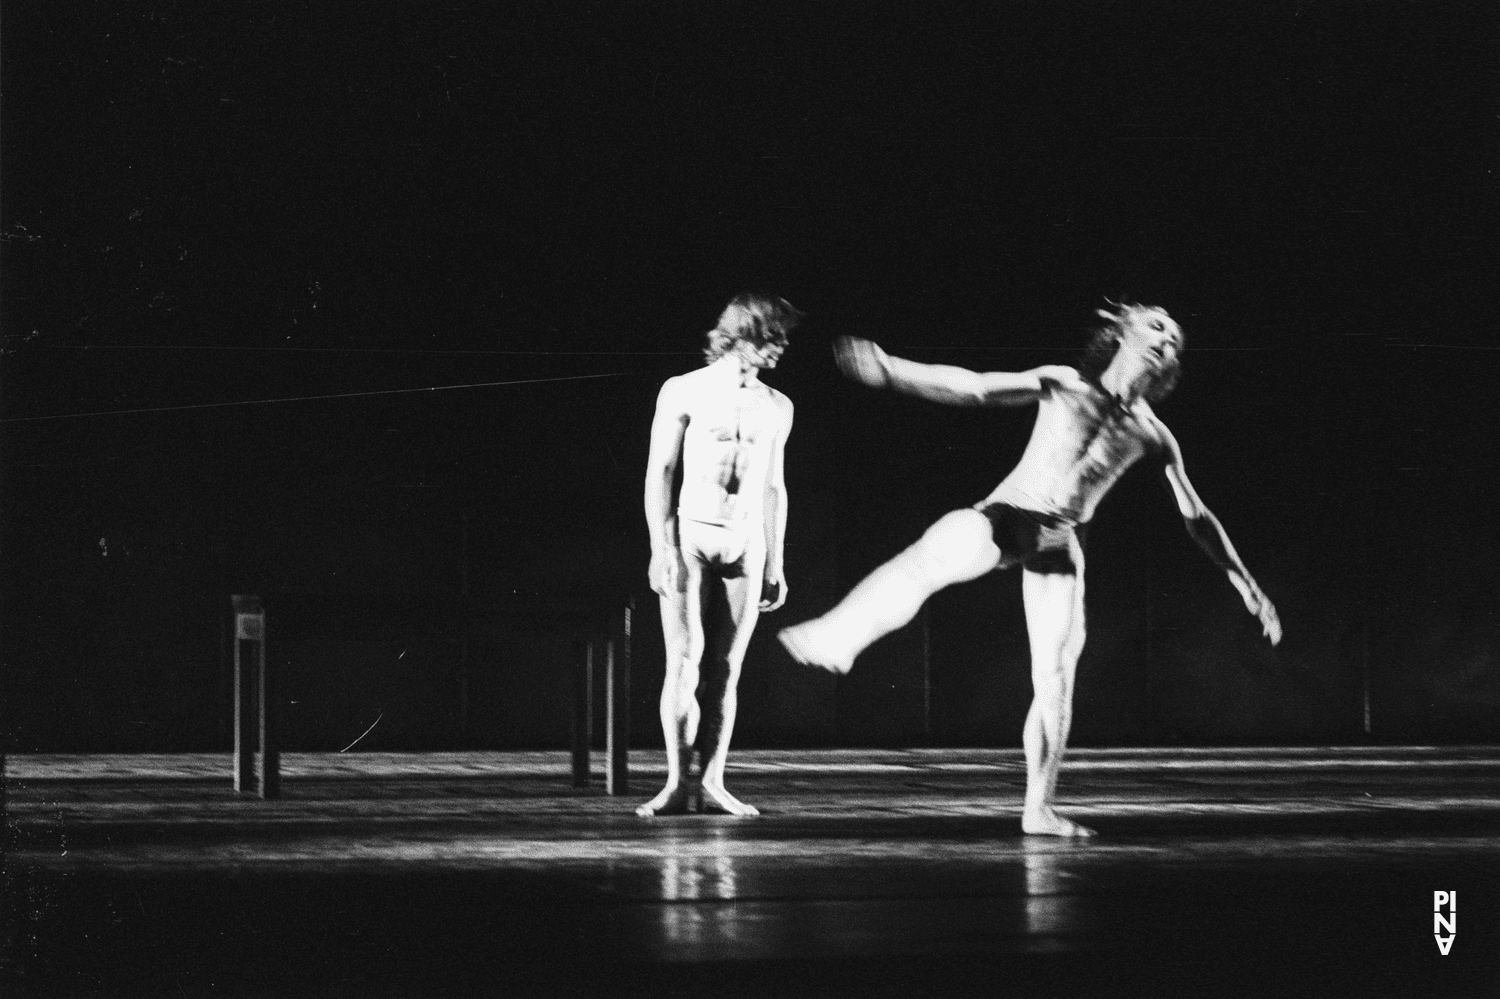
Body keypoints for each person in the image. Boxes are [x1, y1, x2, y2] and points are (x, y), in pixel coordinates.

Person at [778, 301, 1281, 836]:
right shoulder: (1064, 384)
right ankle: (838, 634)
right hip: (1008, 517)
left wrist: (1246, 584)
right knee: (945, 548)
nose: (1166, 340)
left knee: (1057, 677)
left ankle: (1038, 808)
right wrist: (891, 370)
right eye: (1157, 326)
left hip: (1059, 542)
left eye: (1175, 338)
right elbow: (975, 388)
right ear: (1121, 331)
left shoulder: (1152, 436)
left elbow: (1196, 516)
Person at [637, 293, 801, 817]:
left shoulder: (777, 405)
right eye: (772, 337)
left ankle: (712, 781)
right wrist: (660, 547)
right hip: (692, 534)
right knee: (684, 661)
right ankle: (674, 783)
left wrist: (776, 561)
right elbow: (661, 471)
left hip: (746, 541)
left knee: (727, 669)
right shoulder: (684, 389)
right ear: (743, 334)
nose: (780, 348)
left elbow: (774, 486)